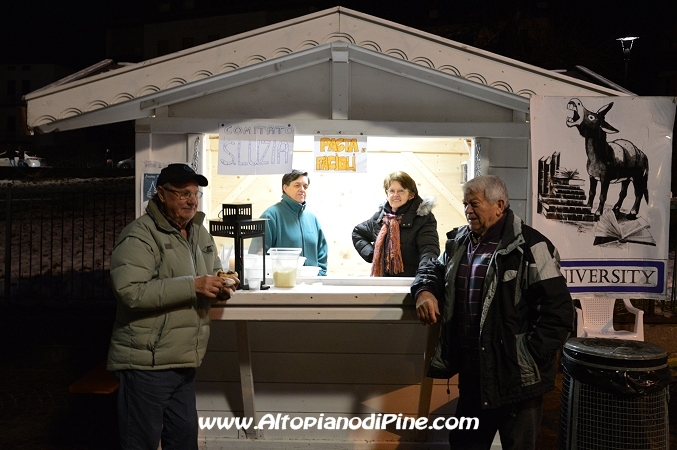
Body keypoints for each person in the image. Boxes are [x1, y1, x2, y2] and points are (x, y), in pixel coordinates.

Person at [412, 175, 573, 450]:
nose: (467, 210)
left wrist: (527, 355)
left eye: (474, 204)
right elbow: (433, 269)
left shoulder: (532, 248)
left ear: (499, 205)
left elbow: (559, 312)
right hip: (473, 376)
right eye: (465, 204)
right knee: (464, 444)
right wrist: (424, 291)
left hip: (517, 380)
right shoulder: (459, 242)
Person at [107, 163, 239, 450]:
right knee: (138, 443)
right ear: (162, 194)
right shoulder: (140, 235)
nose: (191, 200)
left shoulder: (198, 233)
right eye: (182, 194)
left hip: (183, 360)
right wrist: (193, 285)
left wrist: (222, 286)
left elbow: (212, 274)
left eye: (195, 193)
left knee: (183, 441)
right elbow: (130, 292)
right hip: (146, 362)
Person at [352, 171, 439, 277]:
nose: (395, 195)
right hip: (382, 282)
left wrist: (424, 279)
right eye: (392, 191)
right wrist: (372, 254)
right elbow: (358, 233)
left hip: (411, 283)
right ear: (387, 193)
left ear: (411, 195)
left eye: (401, 191)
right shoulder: (380, 217)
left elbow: (429, 250)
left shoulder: (423, 219)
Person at [255, 169, 329, 275]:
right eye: (297, 185)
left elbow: (322, 253)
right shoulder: (270, 216)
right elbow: (258, 257)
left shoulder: (312, 218)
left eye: (305, 186)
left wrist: (320, 276)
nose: (302, 189)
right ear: (285, 188)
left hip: (311, 285)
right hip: (281, 286)